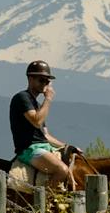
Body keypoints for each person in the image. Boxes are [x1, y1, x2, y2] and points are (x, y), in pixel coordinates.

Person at [7, 60, 74, 199]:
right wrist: (48, 99)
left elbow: (46, 135)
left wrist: (67, 147)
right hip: (29, 149)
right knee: (62, 170)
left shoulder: (36, 104)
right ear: (30, 79)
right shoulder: (22, 98)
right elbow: (37, 121)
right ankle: (43, 204)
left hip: (43, 146)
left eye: (47, 81)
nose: (45, 84)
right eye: (41, 80)